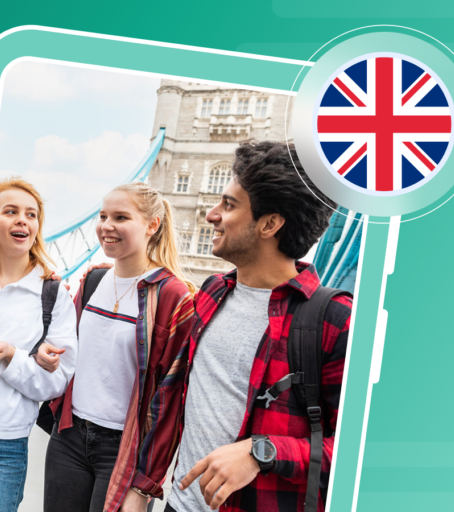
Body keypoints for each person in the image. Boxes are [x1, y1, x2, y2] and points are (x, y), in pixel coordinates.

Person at [166, 140, 353, 512]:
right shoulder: (213, 291)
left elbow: (361, 448)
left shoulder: (334, 319)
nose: (212, 215)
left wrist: (262, 452)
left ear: (269, 224)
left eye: (229, 205)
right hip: (180, 503)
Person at [37, 182, 196, 512]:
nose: (106, 226)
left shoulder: (173, 297)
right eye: (103, 216)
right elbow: (67, 352)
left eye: (121, 217)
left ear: (152, 225)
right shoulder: (93, 281)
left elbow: (170, 399)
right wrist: (45, 352)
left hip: (124, 450)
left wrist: (144, 484)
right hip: (68, 436)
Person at [0, 177, 78, 512]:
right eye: (11, 211)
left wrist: (11, 357)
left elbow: (55, 384)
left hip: (2, 450)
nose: (23, 219)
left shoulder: (53, 296)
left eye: (31, 214)